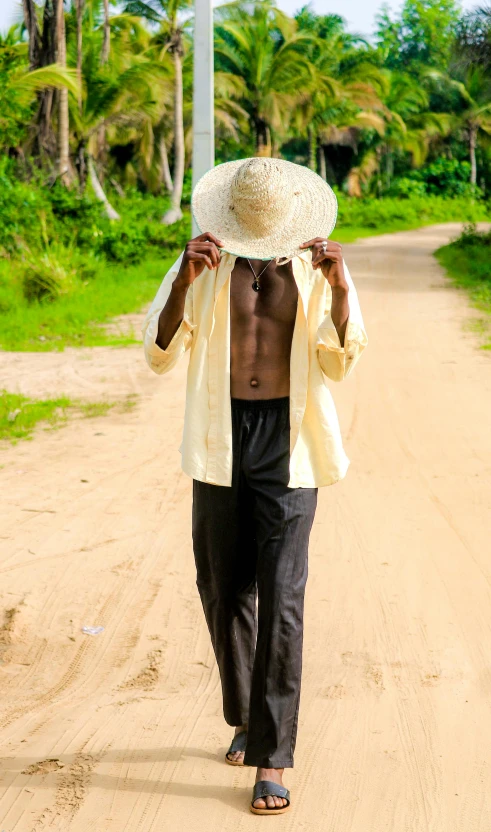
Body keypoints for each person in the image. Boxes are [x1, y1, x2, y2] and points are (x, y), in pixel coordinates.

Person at [142, 157, 368, 815]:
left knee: (282, 593)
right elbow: (158, 353)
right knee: (220, 584)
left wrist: (343, 287)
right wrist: (183, 282)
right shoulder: (204, 265)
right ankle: (244, 711)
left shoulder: (315, 270)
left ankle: (272, 755)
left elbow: (340, 359)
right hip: (218, 437)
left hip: (290, 440)